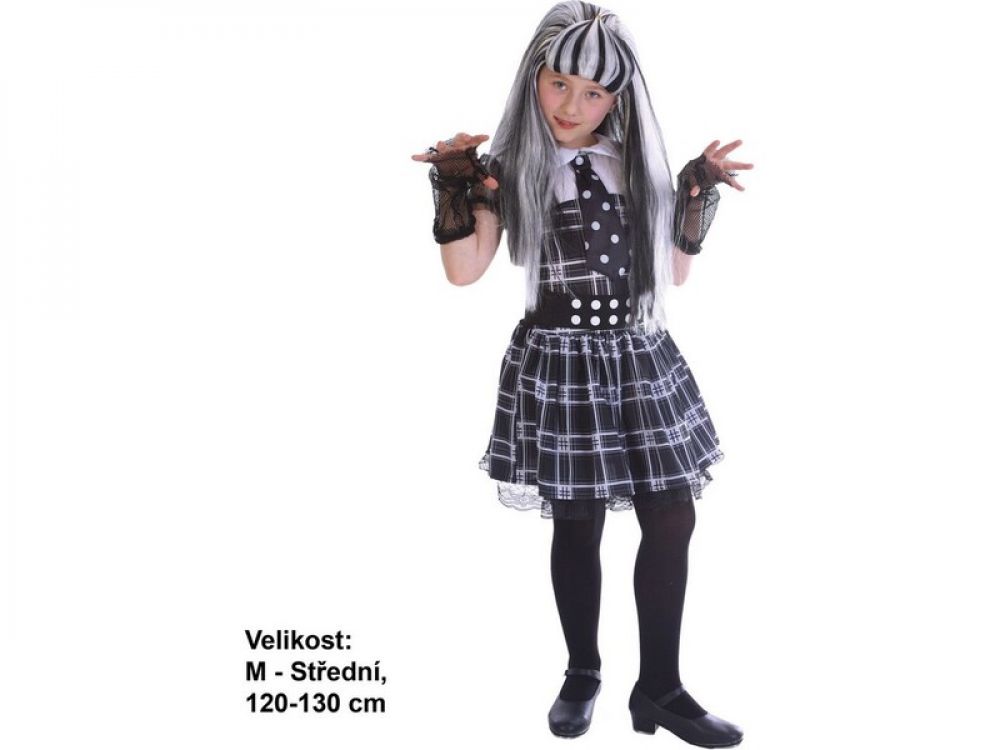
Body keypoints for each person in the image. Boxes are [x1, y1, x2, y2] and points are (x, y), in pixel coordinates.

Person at [411, 2, 753, 744]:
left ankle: (660, 689)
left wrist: (693, 192)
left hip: (637, 353)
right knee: (577, 520)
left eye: (594, 92)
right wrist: (454, 183)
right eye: (559, 83)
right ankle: (583, 671)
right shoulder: (508, 171)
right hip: (561, 357)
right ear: (533, 76)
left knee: (673, 514)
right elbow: (464, 271)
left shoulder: (635, 163)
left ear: (618, 97)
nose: (572, 105)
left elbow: (673, 273)